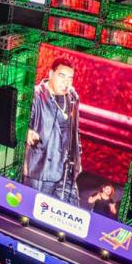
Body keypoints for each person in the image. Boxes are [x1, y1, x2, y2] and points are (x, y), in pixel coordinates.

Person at [23, 57, 82, 205]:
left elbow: (74, 130)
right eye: (62, 76)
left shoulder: (72, 98)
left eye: (70, 78)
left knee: (73, 210)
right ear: (51, 74)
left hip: (66, 169)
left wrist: (77, 156)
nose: (66, 83)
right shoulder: (36, 95)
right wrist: (27, 131)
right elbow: (21, 122)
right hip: (42, 170)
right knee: (34, 210)